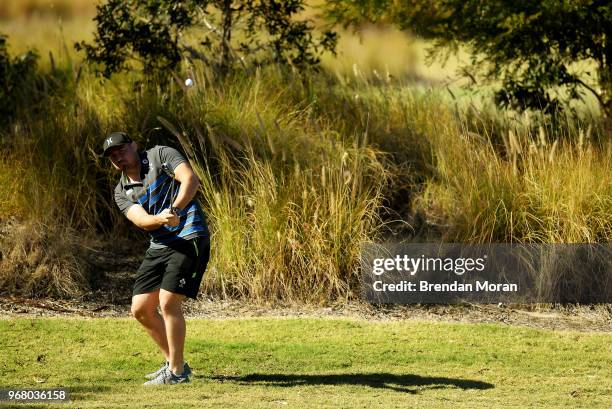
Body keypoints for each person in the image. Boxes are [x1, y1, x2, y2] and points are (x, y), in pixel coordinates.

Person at [102, 131, 210, 385]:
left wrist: (175, 209)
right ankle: (174, 363)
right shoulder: (121, 191)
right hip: (160, 244)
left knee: (168, 301)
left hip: (189, 235)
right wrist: (160, 219)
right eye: (112, 156)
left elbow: (190, 180)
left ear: (134, 145)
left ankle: (176, 373)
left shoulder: (159, 154)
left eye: (121, 150)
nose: (118, 157)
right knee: (140, 309)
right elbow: (140, 220)